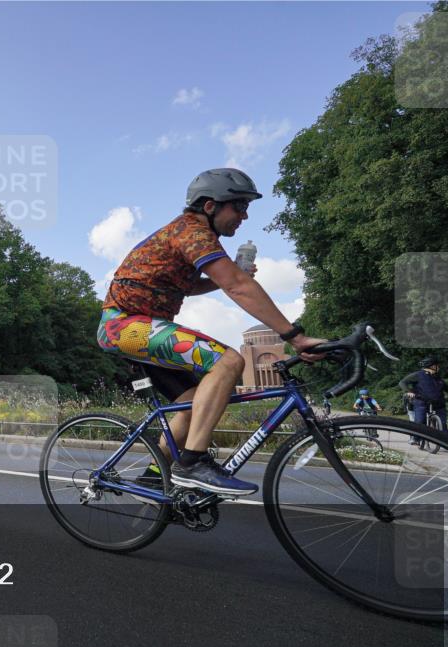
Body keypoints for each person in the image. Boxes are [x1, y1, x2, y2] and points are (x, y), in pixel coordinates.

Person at [98, 168, 326, 495]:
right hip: (122, 325)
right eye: (239, 206)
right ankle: (193, 463)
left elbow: (196, 286)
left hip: (142, 327)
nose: (244, 216)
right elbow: (236, 285)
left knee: (192, 403)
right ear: (210, 207)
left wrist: (227, 275)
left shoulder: (194, 237)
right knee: (229, 362)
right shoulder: (190, 231)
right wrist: (295, 336)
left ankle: (153, 476)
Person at [399, 357, 448, 443]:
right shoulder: (418, 375)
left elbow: (447, 388)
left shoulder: (437, 377)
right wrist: (408, 391)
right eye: (437, 365)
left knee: (443, 424)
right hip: (421, 401)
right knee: (420, 421)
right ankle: (416, 438)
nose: (439, 367)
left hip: (438, 403)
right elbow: (402, 382)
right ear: (433, 366)